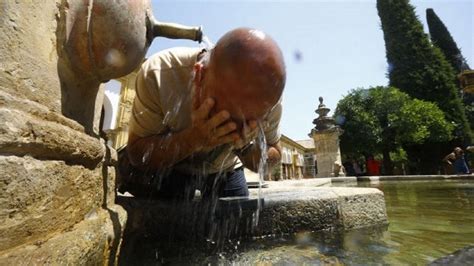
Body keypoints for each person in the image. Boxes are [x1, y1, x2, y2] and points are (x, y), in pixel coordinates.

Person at [120, 28, 286, 201]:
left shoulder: (269, 97)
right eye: (227, 114)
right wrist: (194, 138)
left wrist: (245, 148)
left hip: (225, 168)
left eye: (249, 119)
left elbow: (273, 155)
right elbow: (137, 154)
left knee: (238, 221)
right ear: (199, 75)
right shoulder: (160, 73)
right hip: (170, 167)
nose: (234, 125)